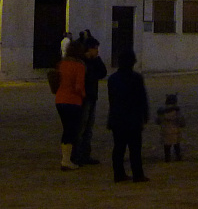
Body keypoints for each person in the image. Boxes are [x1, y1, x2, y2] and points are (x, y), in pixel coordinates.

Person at [107, 49, 150, 183]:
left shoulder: (112, 79)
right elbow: (142, 98)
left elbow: (112, 99)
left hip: (117, 117)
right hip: (133, 118)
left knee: (118, 148)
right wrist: (145, 115)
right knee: (135, 149)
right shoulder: (136, 78)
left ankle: (118, 174)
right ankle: (138, 174)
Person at [73, 35, 107, 165]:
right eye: (96, 48)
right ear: (90, 49)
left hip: (92, 97)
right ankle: (77, 155)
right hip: (83, 97)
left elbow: (103, 72)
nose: (97, 51)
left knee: (88, 128)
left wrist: (97, 59)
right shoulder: (82, 62)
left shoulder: (93, 61)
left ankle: (85, 155)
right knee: (81, 127)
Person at [54, 38, 86, 170]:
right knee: (71, 131)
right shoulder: (79, 66)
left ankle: (65, 158)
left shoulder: (62, 64)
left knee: (66, 129)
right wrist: (84, 95)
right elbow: (79, 86)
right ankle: (66, 160)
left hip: (60, 99)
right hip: (73, 101)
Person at [156, 94, 186, 162]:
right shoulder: (177, 111)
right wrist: (182, 124)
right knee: (176, 146)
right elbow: (181, 121)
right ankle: (178, 157)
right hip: (175, 132)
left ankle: (167, 158)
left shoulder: (161, 112)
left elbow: (157, 121)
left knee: (167, 147)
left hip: (165, 132)